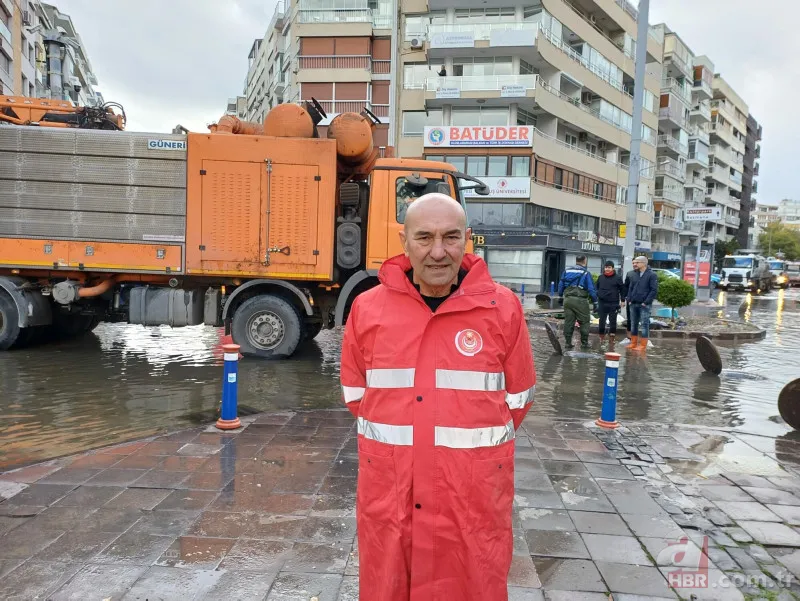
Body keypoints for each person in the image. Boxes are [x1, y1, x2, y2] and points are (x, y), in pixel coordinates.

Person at [340, 193, 536, 601]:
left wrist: (466, 448)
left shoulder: (503, 309)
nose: (438, 252)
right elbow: (357, 395)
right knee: (389, 580)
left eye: (450, 237)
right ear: (404, 241)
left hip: (471, 489)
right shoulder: (367, 309)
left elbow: (519, 398)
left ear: (467, 238)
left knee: (473, 580)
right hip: (391, 486)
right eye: (424, 237)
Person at [557, 255, 598, 350]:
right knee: (584, 322)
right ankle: (584, 343)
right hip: (580, 300)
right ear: (585, 261)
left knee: (568, 322)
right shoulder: (586, 273)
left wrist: (560, 296)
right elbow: (591, 289)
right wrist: (595, 302)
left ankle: (568, 343)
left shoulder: (566, 271)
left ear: (576, 261)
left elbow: (561, 285)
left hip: (568, 300)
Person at [626, 255, 658, 351]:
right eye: (634, 262)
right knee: (633, 323)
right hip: (633, 303)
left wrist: (646, 302)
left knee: (644, 324)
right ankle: (633, 342)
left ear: (644, 263)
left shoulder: (652, 275)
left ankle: (643, 345)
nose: (634, 264)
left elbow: (653, 290)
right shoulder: (634, 274)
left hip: (644, 304)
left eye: (637, 262)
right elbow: (630, 288)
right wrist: (629, 299)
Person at [596, 260, 625, 346]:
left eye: (609, 267)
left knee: (613, 321)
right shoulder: (600, 277)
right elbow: (596, 288)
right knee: (601, 320)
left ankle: (612, 340)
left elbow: (622, 290)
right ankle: (601, 338)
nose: (607, 269)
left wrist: (622, 300)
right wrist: (598, 294)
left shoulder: (618, 278)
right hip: (602, 302)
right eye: (606, 267)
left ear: (613, 268)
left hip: (613, 303)